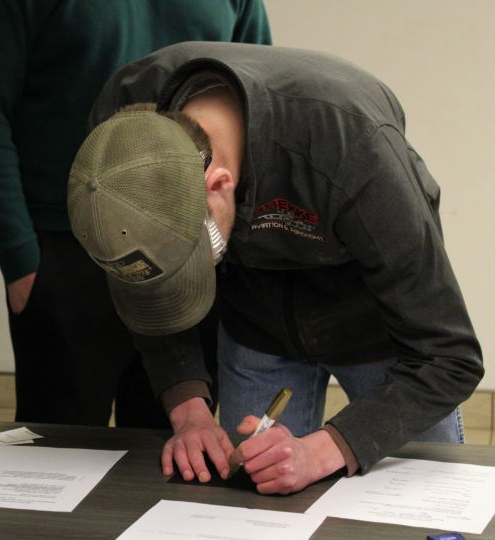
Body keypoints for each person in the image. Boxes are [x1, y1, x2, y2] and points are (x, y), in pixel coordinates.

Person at [68, 41, 483, 494]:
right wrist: (189, 411)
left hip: (375, 319)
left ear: (218, 184)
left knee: (426, 501)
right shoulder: (118, 145)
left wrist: (321, 451)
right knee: (255, 495)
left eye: (193, 264)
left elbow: (449, 358)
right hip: (256, 318)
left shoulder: (354, 148)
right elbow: (149, 278)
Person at [0, 0, 271, 428]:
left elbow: (252, 93)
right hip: (66, 253)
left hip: (187, 249)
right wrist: (18, 256)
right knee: (59, 449)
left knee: (175, 442)